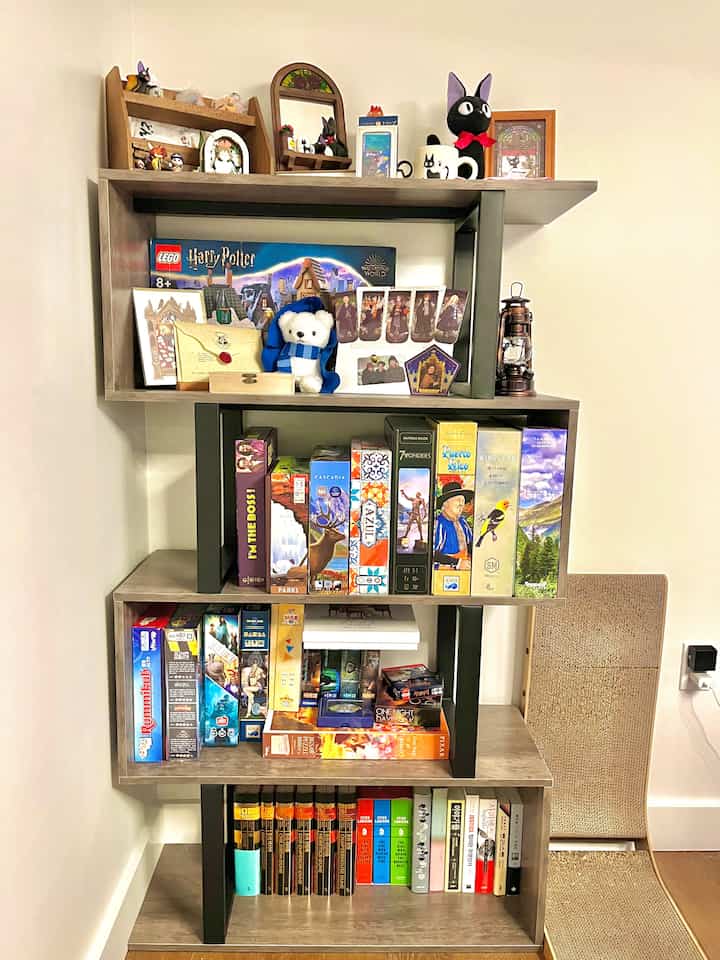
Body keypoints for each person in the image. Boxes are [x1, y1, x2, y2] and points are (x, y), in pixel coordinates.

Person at [433, 481, 474, 570]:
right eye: (457, 500)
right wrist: (457, 563)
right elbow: (432, 554)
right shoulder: (439, 524)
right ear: (446, 504)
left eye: (462, 501)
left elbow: (470, 543)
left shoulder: (463, 522)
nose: (461, 504)